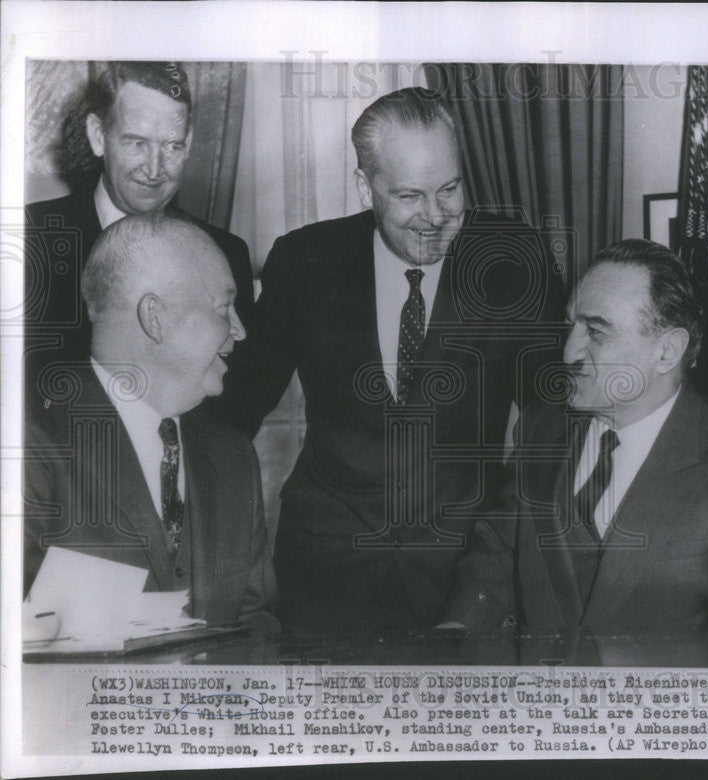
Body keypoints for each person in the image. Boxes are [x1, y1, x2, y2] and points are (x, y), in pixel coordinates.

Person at [214, 87, 564, 632]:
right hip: (327, 568)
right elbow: (233, 409)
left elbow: (554, 423)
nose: (435, 217)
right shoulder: (305, 261)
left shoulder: (513, 260)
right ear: (365, 185)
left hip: (464, 571)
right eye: (409, 196)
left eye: (449, 189)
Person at [443, 239, 708, 632]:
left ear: (666, 351)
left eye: (596, 332)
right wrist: (459, 628)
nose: (569, 352)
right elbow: (499, 553)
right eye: (570, 326)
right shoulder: (540, 429)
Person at [23, 214, 276, 630]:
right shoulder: (27, 447)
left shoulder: (233, 457)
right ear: (153, 317)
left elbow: (254, 624)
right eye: (223, 307)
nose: (240, 330)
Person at [24, 61, 254, 389]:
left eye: (172, 146)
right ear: (97, 136)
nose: (155, 169)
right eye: (138, 144)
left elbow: (234, 400)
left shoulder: (225, 252)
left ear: (188, 144)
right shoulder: (31, 236)